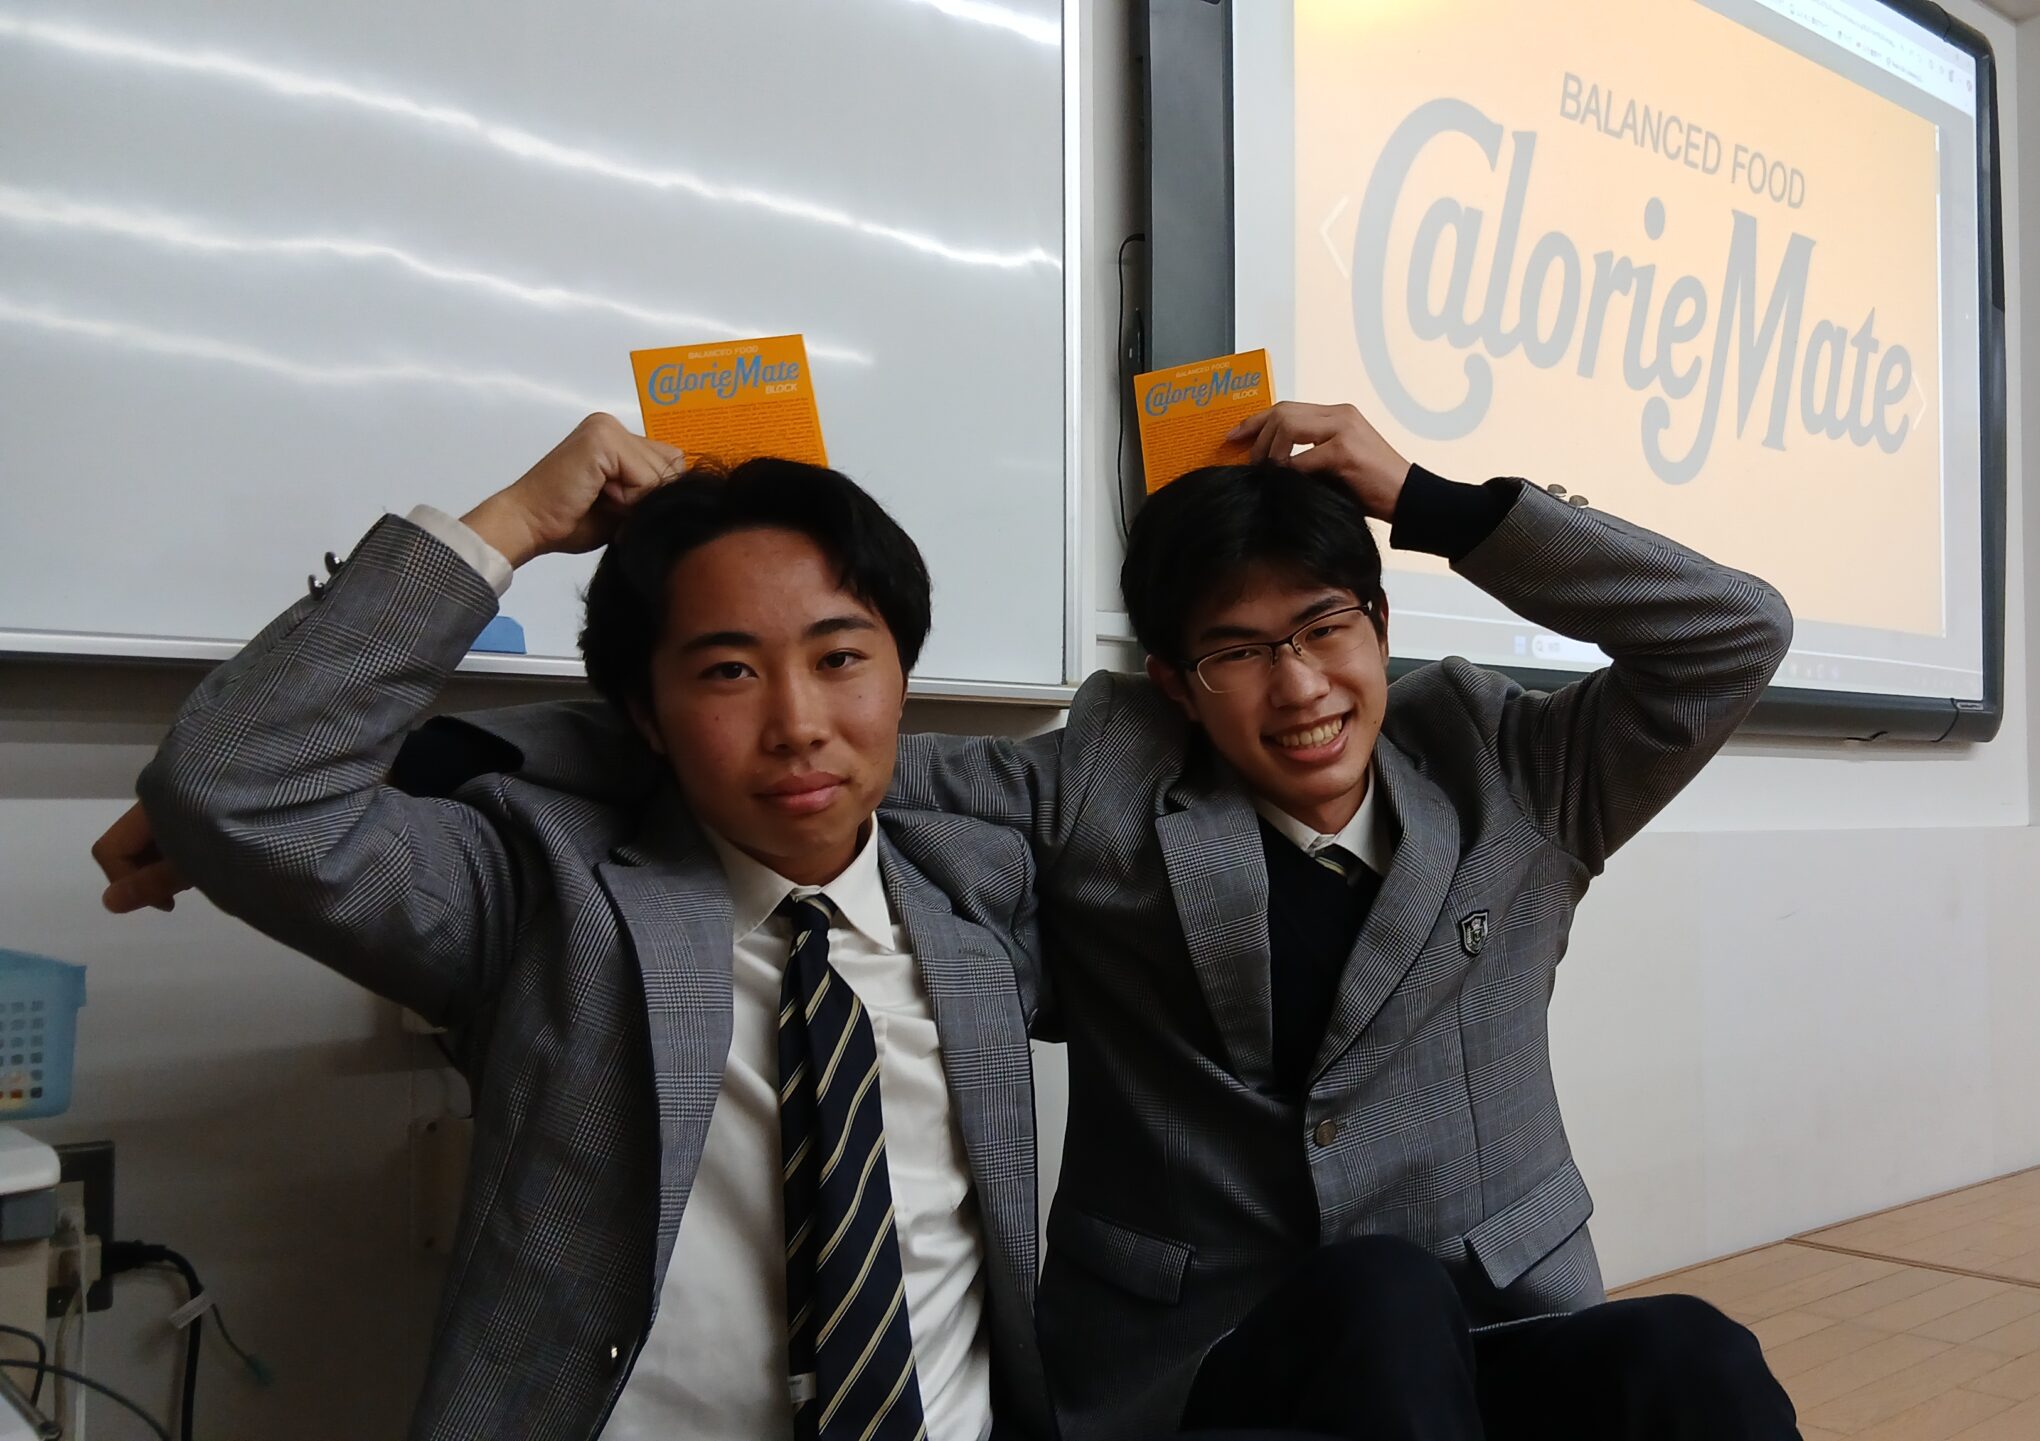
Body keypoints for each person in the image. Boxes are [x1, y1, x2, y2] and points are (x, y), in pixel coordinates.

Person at [101, 417, 1366, 1441]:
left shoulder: (986, 892)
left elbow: (1172, 766)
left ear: (902, 675)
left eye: (840, 657)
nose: (798, 723)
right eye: (726, 672)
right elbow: (233, 785)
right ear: (642, 718)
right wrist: (515, 521)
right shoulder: (541, 898)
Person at [883, 402, 1801, 1440]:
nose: (1300, 687)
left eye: (1326, 627)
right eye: (1238, 652)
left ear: (1381, 626)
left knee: (1695, 1354)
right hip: (1221, 1356)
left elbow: (1734, 633)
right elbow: (858, 772)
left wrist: (1427, 501)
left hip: (1490, 1322)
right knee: (1383, 1297)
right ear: (1175, 687)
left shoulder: (1507, 770)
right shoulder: (1107, 783)